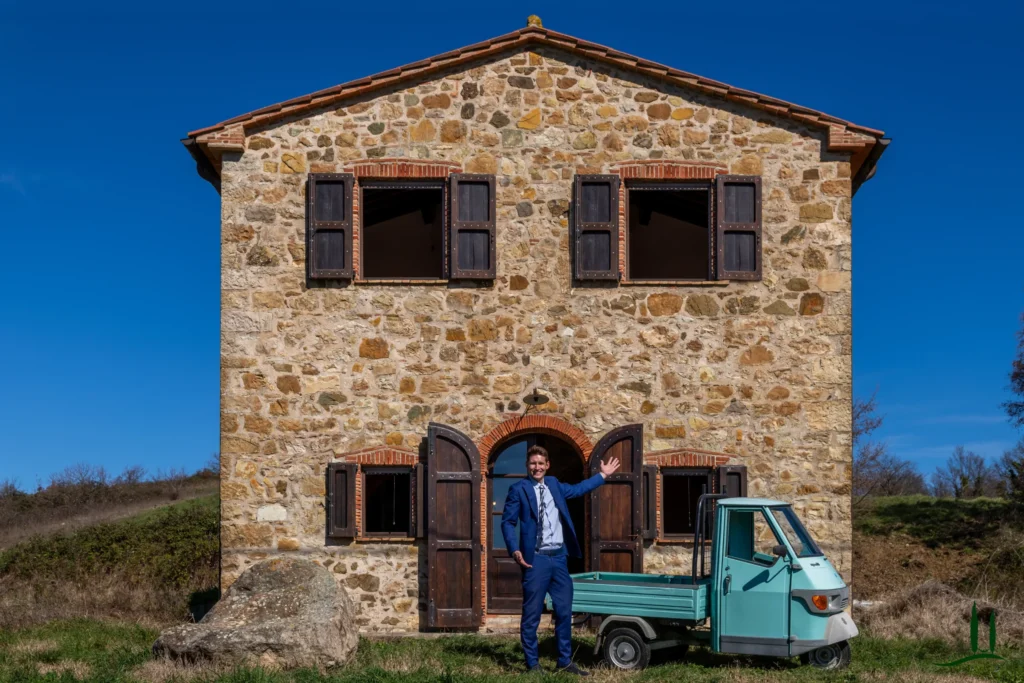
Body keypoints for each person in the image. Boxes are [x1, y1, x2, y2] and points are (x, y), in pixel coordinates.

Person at [501, 444, 620, 675]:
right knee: (532, 615)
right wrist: (514, 550)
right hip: (535, 560)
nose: (537, 467)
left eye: (541, 463)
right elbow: (507, 522)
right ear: (527, 465)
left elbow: (577, 489)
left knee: (565, 612)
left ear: (547, 465)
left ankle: (564, 662)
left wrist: (603, 475)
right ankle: (533, 665)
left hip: (559, 559)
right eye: (533, 463)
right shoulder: (519, 489)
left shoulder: (554, 484)